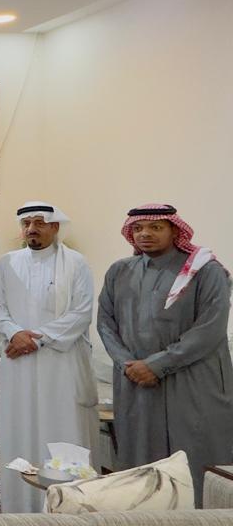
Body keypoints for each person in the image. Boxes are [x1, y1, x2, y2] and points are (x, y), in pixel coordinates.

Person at [98, 203, 232, 503]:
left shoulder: (205, 271)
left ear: (175, 231)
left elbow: (210, 329)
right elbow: (105, 322)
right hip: (135, 381)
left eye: (155, 227)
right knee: (141, 461)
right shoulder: (120, 271)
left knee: (195, 457)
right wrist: (126, 363)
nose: (145, 234)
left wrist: (157, 365)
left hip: (193, 381)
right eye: (138, 228)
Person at [0, 202, 96, 514]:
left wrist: (36, 340)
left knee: (61, 429)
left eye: (39, 223)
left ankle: (66, 508)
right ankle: (19, 506)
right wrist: (14, 333)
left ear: (55, 226)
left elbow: (81, 313)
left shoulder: (76, 263)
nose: (32, 229)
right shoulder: (6, 263)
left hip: (60, 364)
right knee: (19, 428)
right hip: (18, 364)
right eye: (26, 223)